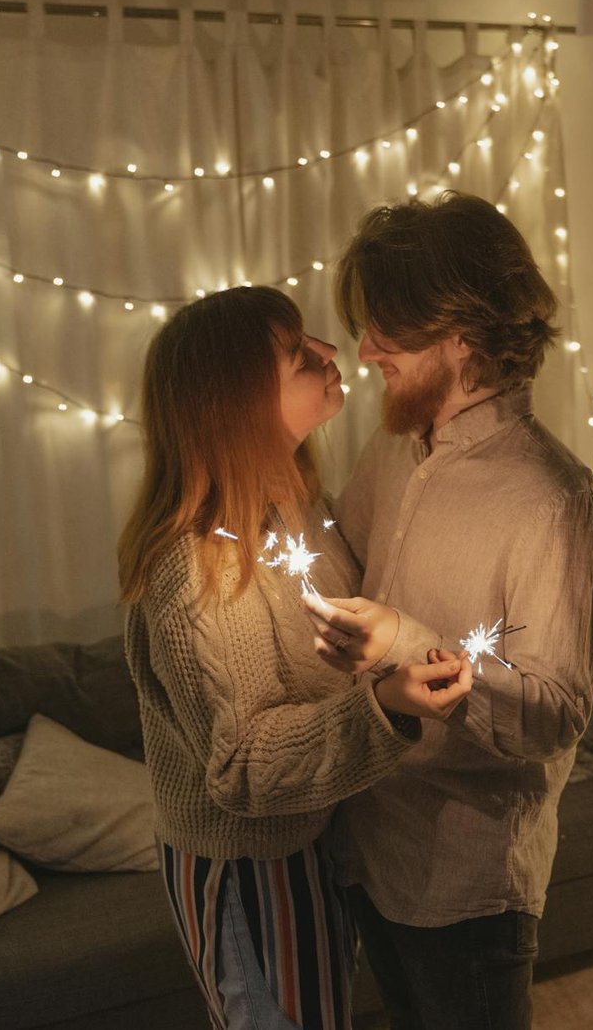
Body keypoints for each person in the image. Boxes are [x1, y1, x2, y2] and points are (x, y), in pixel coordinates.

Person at [117, 286, 473, 1030]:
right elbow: (242, 766)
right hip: (250, 870)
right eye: (296, 354)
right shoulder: (199, 569)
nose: (329, 353)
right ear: (238, 398)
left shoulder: (298, 505)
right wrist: (385, 707)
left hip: (313, 841)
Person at [304, 192, 593, 1030]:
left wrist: (409, 642)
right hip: (369, 843)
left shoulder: (553, 501)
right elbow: (346, 561)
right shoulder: (398, 445)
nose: (366, 350)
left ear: (464, 335)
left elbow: (554, 715)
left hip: (465, 883)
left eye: (390, 330)